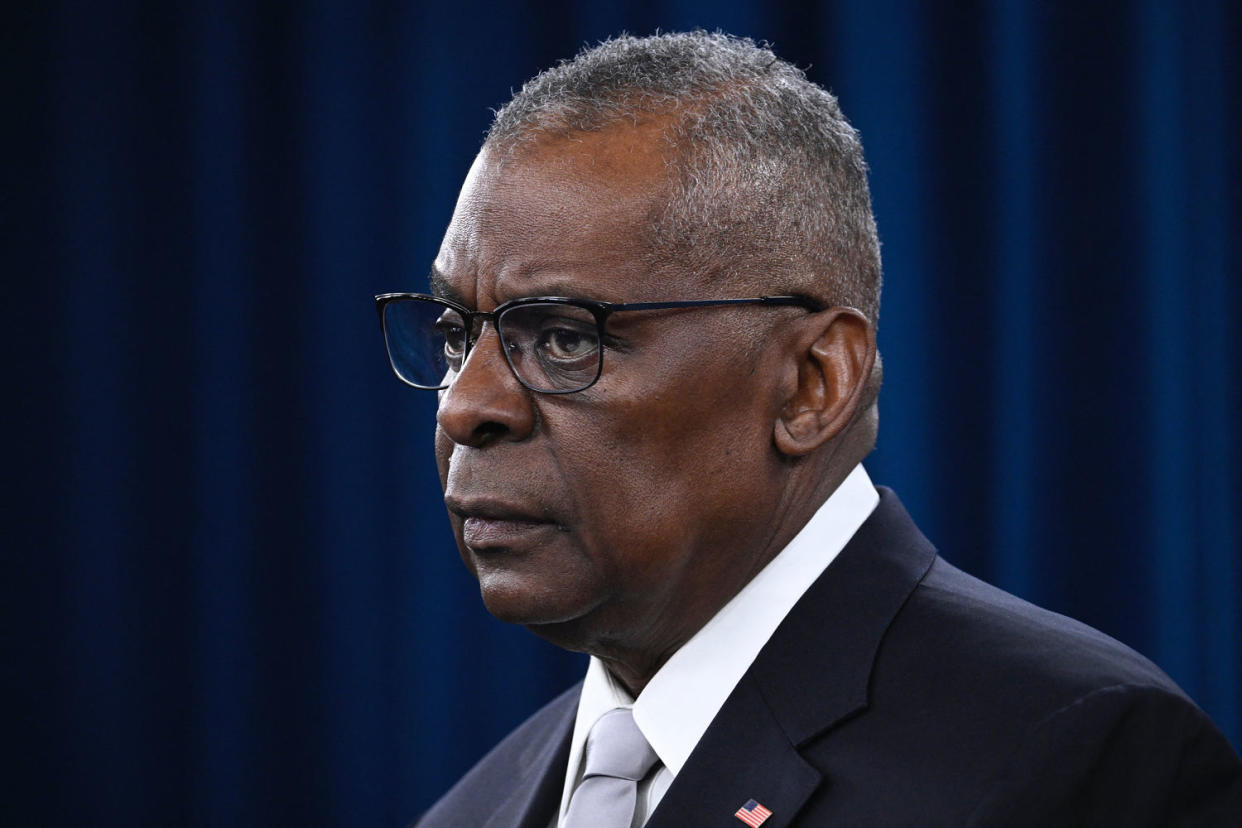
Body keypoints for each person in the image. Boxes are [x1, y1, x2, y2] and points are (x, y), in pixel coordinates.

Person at [376, 31, 1242, 827]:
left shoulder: (1078, 764)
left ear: (812, 384)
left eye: (564, 338)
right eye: (456, 336)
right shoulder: (472, 813)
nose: (465, 405)